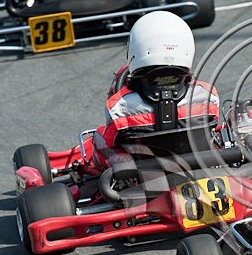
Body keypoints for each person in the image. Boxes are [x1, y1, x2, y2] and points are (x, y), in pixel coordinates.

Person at [93, 11, 219, 157]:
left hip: (145, 176)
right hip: (200, 167)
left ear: (136, 48)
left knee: (98, 137)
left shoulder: (120, 107)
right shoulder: (207, 95)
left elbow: (111, 142)